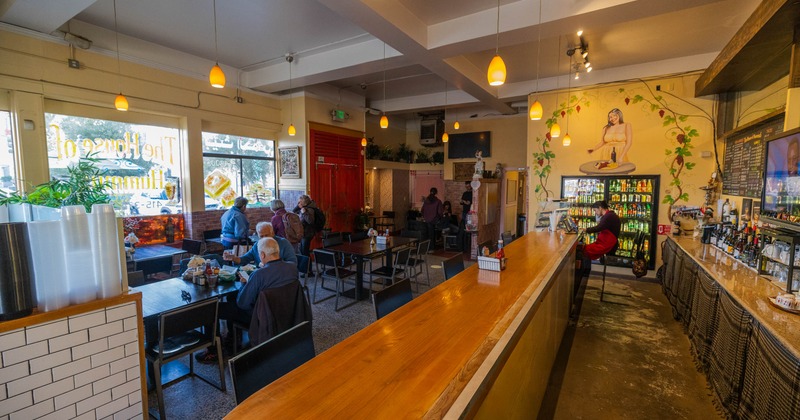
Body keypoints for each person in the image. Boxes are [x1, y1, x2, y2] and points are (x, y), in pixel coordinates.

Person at [199, 237, 299, 363]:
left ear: (262, 254)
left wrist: (244, 284)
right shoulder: (292, 268)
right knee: (231, 298)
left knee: (212, 309)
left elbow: (242, 304)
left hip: (260, 316)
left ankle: (213, 351)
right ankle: (234, 338)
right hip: (283, 311)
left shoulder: (259, 274)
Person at [225, 222, 297, 266]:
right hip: (263, 276)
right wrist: (234, 258)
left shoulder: (283, 243)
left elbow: (293, 263)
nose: (264, 238)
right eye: (261, 236)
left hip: (279, 277)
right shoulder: (257, 244)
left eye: (266, 235)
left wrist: (271, 267)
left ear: (272, 233)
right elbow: (245, 259)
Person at [581, 201, 621, 273]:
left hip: (608, 245)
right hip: (608, 243)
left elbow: (598, 228)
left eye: (595, 210)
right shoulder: (610, 215)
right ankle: (585, 273)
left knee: (585, 250)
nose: (595, 213)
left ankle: (584, 273)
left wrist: (585, 230)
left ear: (600, 208)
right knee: (586, 249)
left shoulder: (608, 216)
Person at [458, 181, 472, 251]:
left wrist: (464, 202)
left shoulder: (472, 193)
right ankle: (462, 245)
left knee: (467, 229)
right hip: (464, 212)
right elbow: (461, 202)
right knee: (463, 228)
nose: (467, 187)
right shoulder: (465, 193)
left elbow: (468, 203)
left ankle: (466, 245)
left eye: (468, 186)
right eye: (466, 186)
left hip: (470, 213)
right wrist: (463, 202)